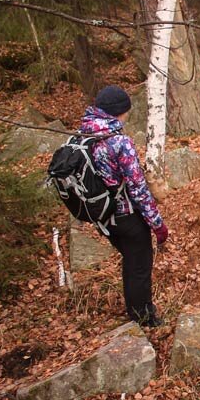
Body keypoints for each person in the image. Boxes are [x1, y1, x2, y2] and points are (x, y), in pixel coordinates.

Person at [79, 85, 169, 328]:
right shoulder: (119, 142)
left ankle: (134, 311)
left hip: (103, 216)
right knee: (139, 266)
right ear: (119, 112)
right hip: (126, 215)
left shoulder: (84, 135)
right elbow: (138, 189)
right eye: (127, 111)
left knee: (130, 261)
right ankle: (144, 319)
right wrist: (157, 225)